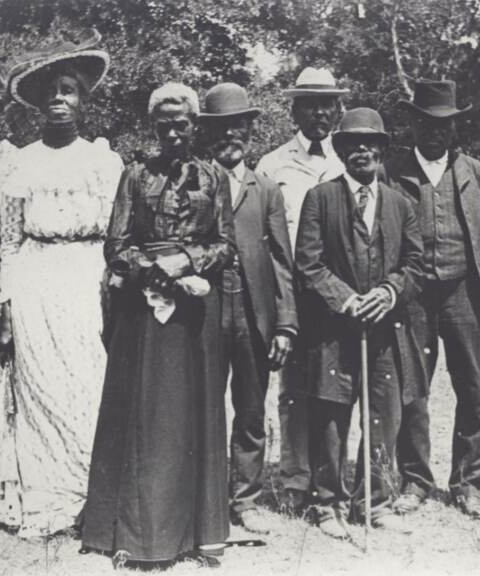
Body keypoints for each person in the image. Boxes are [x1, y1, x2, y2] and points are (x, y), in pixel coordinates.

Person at [81, 82, 236, 569]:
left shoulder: (214, 178)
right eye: (164, 123)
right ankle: (137, 536)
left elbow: (226, 244)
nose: (173, 131)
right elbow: (116, 244)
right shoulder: (134, 176)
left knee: (192, 416)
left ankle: (195, 535)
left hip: (194, 315)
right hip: (142, 315)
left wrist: (187, 261)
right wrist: (156, 272)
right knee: (144, 418)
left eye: (182, 123)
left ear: (195, 126)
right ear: (154, 126)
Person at [0, 34, 124, 538]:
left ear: (84, 99)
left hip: (87, 282)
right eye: (51, 92)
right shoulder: (20, 161)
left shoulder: (103, 161)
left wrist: (114, 289)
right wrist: (8, 305)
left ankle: (90, 496)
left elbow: (116, 238)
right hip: (37, 282)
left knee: (86, 386)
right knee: (40, 388)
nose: (59, 99)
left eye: (69, 90)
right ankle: (45, 499)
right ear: (39, 103)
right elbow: (12, 241)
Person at [294, 107, 425, 538]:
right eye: (352, 143)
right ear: (341, 149)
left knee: (383, 416)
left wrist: (388, 292)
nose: (362, 150)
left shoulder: (401, 203)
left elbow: (415, 264)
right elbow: (308, 265)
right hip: (334, 329)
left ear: (383, 150)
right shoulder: (322, 198)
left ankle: (375, 501)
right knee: (332, 414)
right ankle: (326, 502)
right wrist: (347, 300)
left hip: (385, 330)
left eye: (371, 143)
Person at [383, 79, 480, 520]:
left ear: (454, 128)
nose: (436, 132)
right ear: (413, 124)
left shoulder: (476, 173)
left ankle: (468, 484)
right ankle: (414, 480)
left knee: (473, 390)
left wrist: (472, 279)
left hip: (464, 294)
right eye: (428, 123)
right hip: (412, 297)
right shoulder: (391, 172)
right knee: (412, 391)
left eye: (445, 125)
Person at [199, 83, 298, 534]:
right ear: (209, 134)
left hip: (255, 312)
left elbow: (282, 260)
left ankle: (246, 498)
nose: (230, 137)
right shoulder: (194, 181)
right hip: (205, 311)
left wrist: (285, 325)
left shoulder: (267, 189)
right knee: (203, 405)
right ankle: (204, 496)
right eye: (221, 129)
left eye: (238, 127)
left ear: (250, 132)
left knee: (251, 410)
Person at [255, 67, 347, 513]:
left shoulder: (349, 160)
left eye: (327, 103)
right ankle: (294, 481)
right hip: (290, 293)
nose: (319, 112)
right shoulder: (272, 165)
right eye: (309, 103)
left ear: (337, 109)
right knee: (292, 388)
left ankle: (332, 479)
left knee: (332, 389)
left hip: (336, 295)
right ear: (294, 108)